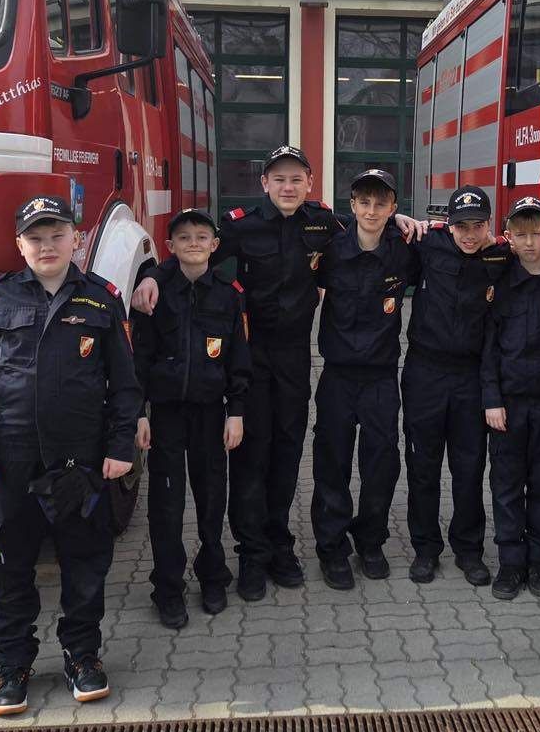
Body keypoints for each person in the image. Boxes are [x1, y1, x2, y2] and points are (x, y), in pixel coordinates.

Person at [131, 144, 421, 602]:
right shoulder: (243, 225)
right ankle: (251, 553)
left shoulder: (322, 223)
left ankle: (280, 545)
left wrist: (405, 221)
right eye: (279, 179)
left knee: (287, 454)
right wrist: (152, 273)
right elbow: (194, 250)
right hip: (250, 355)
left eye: (296, 179)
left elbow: (368, 228)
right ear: (264, 183)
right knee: (251, 456)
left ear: (309, 184)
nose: (288, 187)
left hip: (295, 359)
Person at [0, 194, 140, 717]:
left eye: (57, 235)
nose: (47, 245)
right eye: (35, 237)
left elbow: (124, 384)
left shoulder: (102, 299)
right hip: (11, 464)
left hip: (80, 463)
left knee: (84, 566)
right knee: (8, 569)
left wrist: (120, 447)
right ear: (20, 245)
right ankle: (13, 665)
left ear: (76, 237)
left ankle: (83, 656)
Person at [132, 207, 251, 627]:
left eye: (203, 237)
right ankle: (167, 587)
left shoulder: (229, 293)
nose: (194, 244)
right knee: (166, 503)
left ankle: (213, 576)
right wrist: (138, 413)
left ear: (215, 246)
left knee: (211, 496)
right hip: (165, 414)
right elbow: (139, 357)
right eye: (184, 238)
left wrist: (235, 412)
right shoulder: (154, 291)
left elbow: (239, 359)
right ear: (171, 247)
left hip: (209, 413)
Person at [311, 168, 418, 589]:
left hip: (380, 379)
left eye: (381, 203)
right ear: (352, 205)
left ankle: (370, 541)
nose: (371, 210)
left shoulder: (407, 251)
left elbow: (458, 244)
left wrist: (423, 223)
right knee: (331, 463)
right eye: (364, 202)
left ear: (393, 208)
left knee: (381, 465)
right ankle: (332, 547)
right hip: (336, 376)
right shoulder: (329, 249)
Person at [402, 185, 512, 585]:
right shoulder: (428, 245)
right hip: (425, 373)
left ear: (489, 226)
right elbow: (378, 232)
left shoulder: (501, 256)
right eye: (461, 226)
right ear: (447, 226)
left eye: (478, 225)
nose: (469, 234)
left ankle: (469, 551)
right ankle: (425, 549)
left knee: (468, 468)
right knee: (423, 466)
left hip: (470, 377)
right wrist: (400, 218)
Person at [481, 195, 540, 600]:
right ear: (508, 237)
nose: (530, 242)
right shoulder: (499, 284)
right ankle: (511, 564)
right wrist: (491, 399)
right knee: (507, 486)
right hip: (509, 406)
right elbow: (489, 349)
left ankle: (539, 565)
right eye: (520, 234)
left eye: (536, 233)